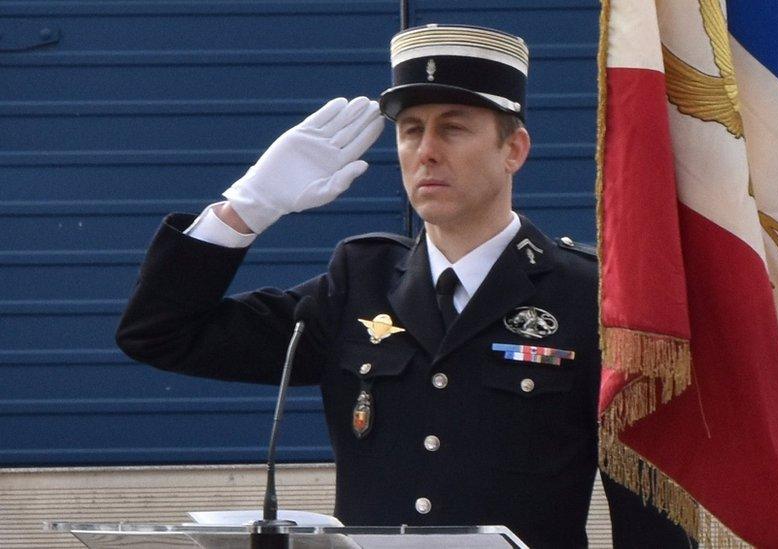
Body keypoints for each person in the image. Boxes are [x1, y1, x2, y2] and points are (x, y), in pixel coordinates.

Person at [116, 24, 601, 548]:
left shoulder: (584, 294)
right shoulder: (361, 284)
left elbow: (646, 491)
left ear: (515, 150)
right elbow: (159, 334)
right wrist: (247, 208)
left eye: (454, 128)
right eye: (411, 130)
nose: (426, 151)